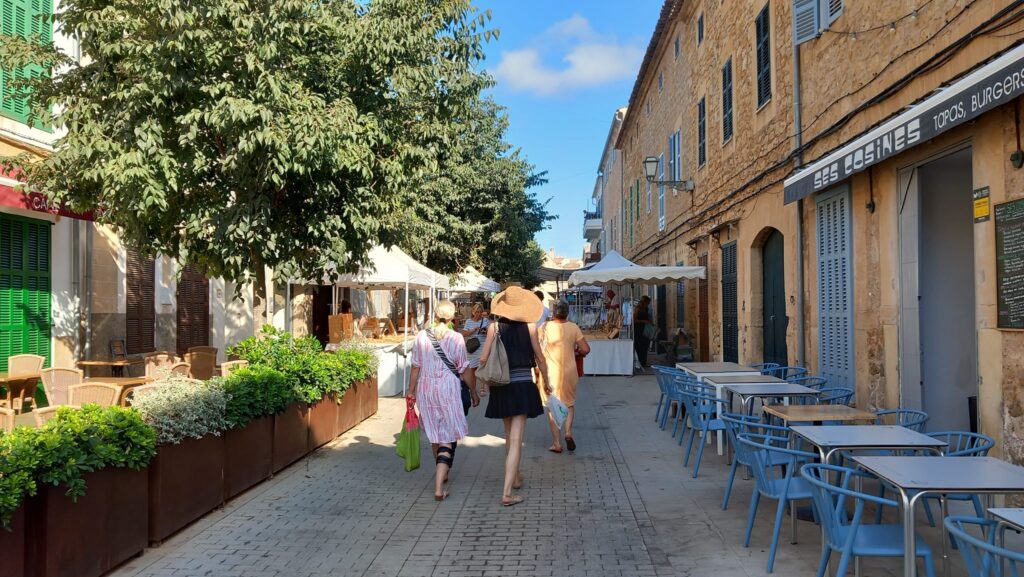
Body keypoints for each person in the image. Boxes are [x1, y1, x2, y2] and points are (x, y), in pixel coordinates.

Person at [479, 286, 550, 507]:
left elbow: (483, 358)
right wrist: (546, 380)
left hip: (501, 384)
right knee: (517, 438)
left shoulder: (494, 327)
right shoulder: (530, 326)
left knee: (510, 436)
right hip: (521, 384)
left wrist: (483, 384)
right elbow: (539, 356)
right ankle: (507, 492)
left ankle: (516, 477)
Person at [407, 300, 472, 501]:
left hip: (426, 390)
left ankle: (441, 469)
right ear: (453, 317)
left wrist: (411, 392)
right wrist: (474, 391)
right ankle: (439, 486)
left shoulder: (421, 336)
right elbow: (463, 367)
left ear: (435, 316)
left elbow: (416, 366)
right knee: (446, 436)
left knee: (435, 433)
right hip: (448, 390)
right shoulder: (456, 338)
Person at [539, 300, 590, 453]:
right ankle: (568, 432)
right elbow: (586, 349)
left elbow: (537, 347)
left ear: (554, 313)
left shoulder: (545, 327)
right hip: (569, 371)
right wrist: (577, 352)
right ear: (567, 312)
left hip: (550, 373)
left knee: (552, 406)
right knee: (569, 404)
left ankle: (556, 443)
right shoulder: (574, 327)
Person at [460, 303, 490, 400]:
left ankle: (482, 388)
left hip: (482, 347)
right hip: (472, 348)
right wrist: (473, 330)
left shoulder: (485, 320)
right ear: (473, 312)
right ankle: (472, 389)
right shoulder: (469, 321)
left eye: (480, 312)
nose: (478, 314)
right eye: (477, 312)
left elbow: (490, 332)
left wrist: (485, 330)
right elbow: (464, 334)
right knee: (472, 369)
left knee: (482, 368)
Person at [633, 295, 653, 367]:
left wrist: (649, 322)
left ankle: (644, 362)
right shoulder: (638, 308)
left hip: (645, 329)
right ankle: (640, 362)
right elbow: (634, 320)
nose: (648, 304)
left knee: (645, 345)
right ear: (644, 302)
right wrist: (643, 321)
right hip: (638, 330)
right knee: (639, 346)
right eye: (648, 303)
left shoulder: (646, 308)